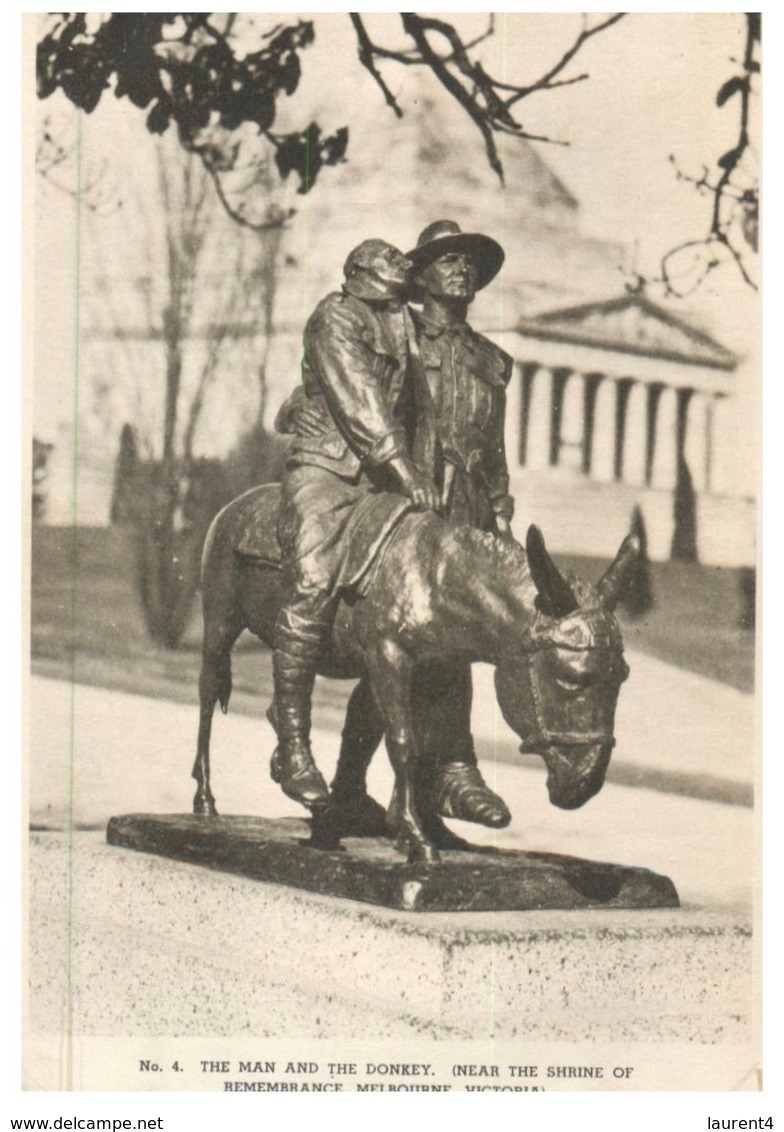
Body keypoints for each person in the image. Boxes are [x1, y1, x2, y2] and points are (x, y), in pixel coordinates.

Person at [271, 239, 439, 808]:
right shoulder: (335, 317)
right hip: (327, 469)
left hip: (381, 478)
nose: (403, 279)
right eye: (393, 270)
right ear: (361, 275)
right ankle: (291, 743)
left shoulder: (401, 325)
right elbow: (360, 401)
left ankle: (359, 782)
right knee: (313, 579)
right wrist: (403, 467)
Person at [405, 219, 515, 828]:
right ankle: (450, 772)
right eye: (447, 259)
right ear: (420, 274)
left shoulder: (492, 360)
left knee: (452, 645)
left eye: (469, 261)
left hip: (469, 510)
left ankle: (434, 786)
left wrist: (500, 509)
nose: (461, 269)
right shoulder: (395, 336)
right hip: (413, 507)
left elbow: (493, 447)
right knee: (410, 644)